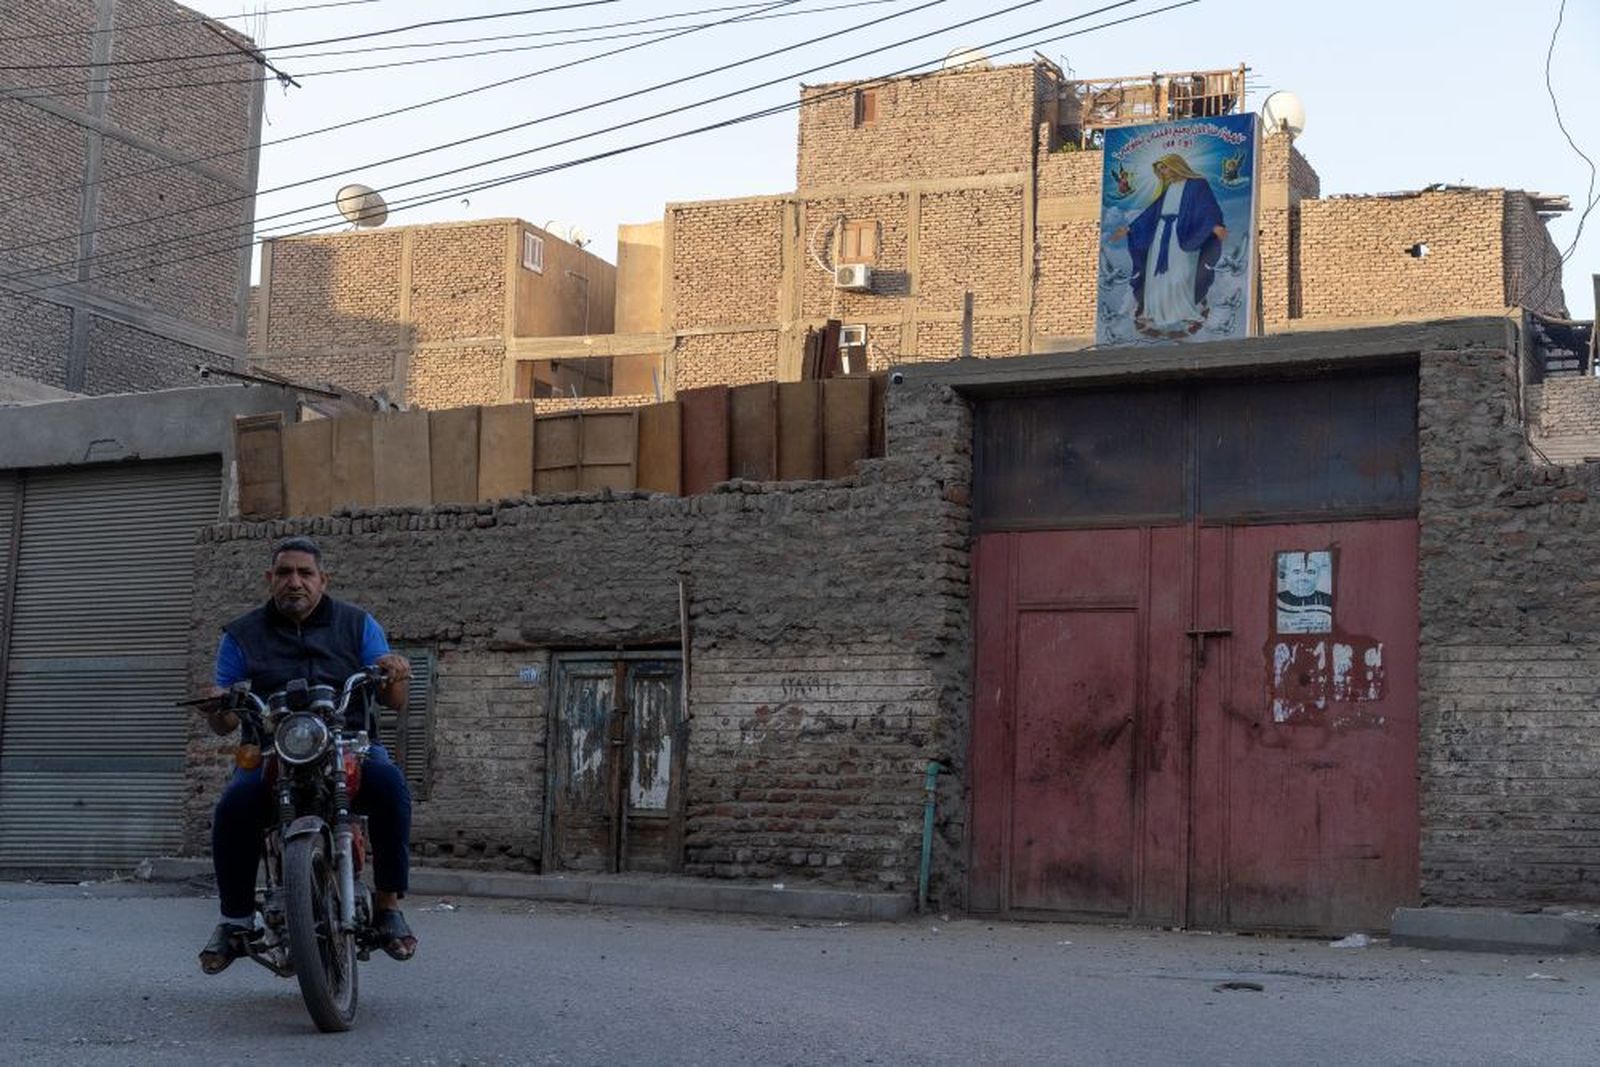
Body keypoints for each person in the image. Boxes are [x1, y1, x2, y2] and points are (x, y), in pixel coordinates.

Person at [196, 535, 417, 974]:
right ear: (269, 578)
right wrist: (216, 703)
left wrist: (395, 673)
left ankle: (389, 907)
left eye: (305, 573)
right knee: (234, 804)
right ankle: (234, 920)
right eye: (284, 572)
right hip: (271, 748)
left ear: (322, 579)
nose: (294, 582)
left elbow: (394, 700)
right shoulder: (240, 634)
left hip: (348, 743)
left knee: (391, 786)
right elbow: (224, 723)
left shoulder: (358, 624)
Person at [1109, 153, 1227, 337]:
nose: (1163, 172)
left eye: (1164, 167)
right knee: (1157, 275)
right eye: (1160, 169)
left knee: (1181, 272)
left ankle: (1185, 311)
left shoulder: (1197, 184)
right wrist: (1129, 228)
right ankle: (1154, 311)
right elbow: (1151, 213)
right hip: (1161, 234)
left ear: (1175, 165)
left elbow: (1207, 207)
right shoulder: (1168, 188)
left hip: (1181, 234)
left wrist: (1213, 225)